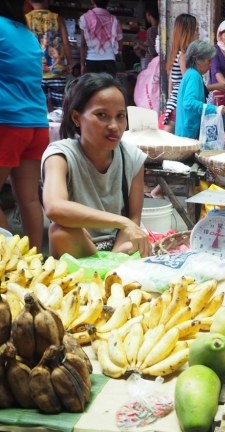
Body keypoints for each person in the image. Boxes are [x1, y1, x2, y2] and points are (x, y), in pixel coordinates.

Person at [41, 73, 150, 258]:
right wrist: (121, 221)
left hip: (118, 243)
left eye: (120, 116)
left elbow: (134, 218)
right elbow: (54, 207)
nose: (114, 126)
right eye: (102, 115)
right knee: (60, 231)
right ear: (76, 117)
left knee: (137, 242)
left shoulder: (132, 157)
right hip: (81, 244)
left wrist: (114, 261)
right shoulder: (60, 155)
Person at [0, 0, 49, 251]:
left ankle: (9, 264)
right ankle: (36, 261)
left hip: (7, 123)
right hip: (37, 124)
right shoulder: (28, 35)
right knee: (29, 199)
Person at [175, 40, 225, 140]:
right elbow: (188, 102)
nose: (211, 65)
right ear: (198, 59)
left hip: (188, 131)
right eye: (209, 61)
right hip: (187, 134)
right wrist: (213, 109)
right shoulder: (193, 76)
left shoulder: (192, 74)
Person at [26, 0, 73, 110]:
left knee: (38, 108)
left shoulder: (26, 19)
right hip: (57, 73)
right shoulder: (57, 18)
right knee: (60, 110)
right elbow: (66, 43)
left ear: (30, 1)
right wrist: (70, 62)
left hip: (35, 74)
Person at [161, 13, 198, 133]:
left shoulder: (177, 54)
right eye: (196, 29)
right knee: (167, 141)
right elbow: (189, 82)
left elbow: (171, 85)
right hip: (179, 105)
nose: (198, 33)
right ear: (189, 32)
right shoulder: (184, 55)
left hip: (174, 103)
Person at [79, 0, 121, 76]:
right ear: (108, 2)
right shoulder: (115, 20)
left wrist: (82, 65)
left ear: (92, 1)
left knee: (93, 87)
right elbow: (120, 47)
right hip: (109, 61)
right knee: (108, 87)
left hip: (91, 61)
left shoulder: (84, 18)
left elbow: (83, 45)